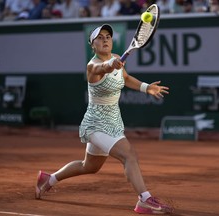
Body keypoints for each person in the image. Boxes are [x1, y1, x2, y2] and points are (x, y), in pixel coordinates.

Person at [35, 24, 173, 214]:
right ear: (92, 45)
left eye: (107, 36)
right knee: (129, 155)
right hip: (96, 125)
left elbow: (125, 77)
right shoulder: (92, 66)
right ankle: (145, 199)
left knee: (89, 166)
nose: (105, 39)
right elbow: (104, 67)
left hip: (114, 123)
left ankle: (48, 179)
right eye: (99, 37)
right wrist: (110, 65)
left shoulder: (117, 58)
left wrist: (146, 87)